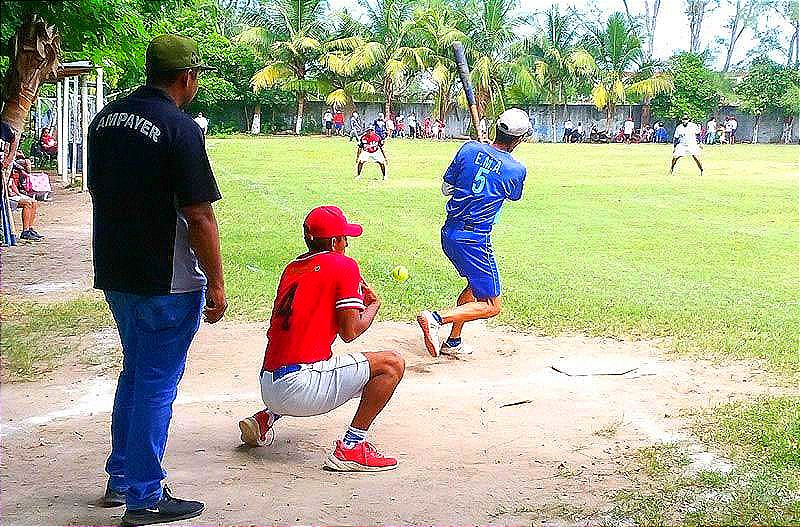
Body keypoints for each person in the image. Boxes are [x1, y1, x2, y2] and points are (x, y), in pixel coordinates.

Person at [87, 35, 226, 526]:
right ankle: (144, 495)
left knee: (137, 371)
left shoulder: (103, 120)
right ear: (187, 77)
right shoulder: (181, 128)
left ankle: (122, 476)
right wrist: (218, 284)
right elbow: (200, 216)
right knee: (155, 384)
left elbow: (96, 191)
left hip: (116, 271)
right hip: (167, 279)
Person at [238, 206, 404, 472]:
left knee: (326, 360)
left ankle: (265, 418)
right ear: (335, 242)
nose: (347, 243)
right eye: (344, 238)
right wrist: (373, 305)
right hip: (300, 387)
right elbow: (350, 332)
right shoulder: (344, 265)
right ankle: (351, 447)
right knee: (391, 364)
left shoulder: (292, 268)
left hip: (269, 383)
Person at [417, 108, 530, 357]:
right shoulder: (516, 169)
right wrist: (493, 163)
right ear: (519, 139)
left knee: (474, 285)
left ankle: (453, 341)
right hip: (474, 239)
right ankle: (436, 318)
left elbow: (447, 188)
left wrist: (480, 158)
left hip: (450, 233)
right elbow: (513, 196)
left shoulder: (468, 149)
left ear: (496, 129)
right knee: (491, 305)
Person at [6, 172, 42, 241]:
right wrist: (9, 193)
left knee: (34, 202)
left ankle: (29, 228)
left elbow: (12, 183)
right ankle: (25, 231)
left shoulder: (10, 168)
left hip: (12, 195)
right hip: (6, 197)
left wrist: (18, 194)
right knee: (27, 203)